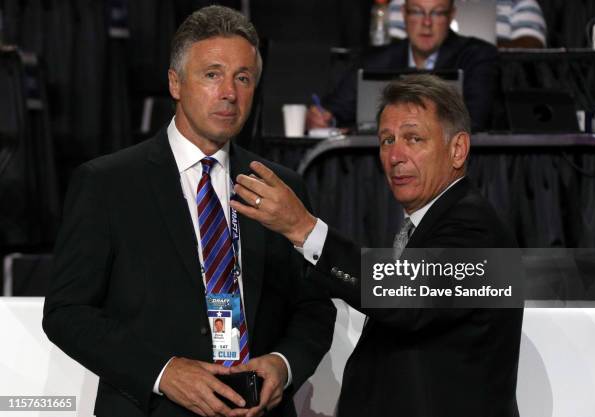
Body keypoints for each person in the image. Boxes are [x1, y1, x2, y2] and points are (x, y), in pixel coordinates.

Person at [42, 6, 335, 417]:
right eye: (212, 74)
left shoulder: (279, 186)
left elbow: (314, 307)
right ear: (175, 83)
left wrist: (283, 366)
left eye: (243, 78)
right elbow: (66, 314)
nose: (230, 92)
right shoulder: (107, 183)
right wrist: (164, 372)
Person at [231, 74, 523, 417]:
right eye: (386, 140)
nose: (395, 155)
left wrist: (303, 227)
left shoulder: (476, 230)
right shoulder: (431, 224)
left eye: (414, 138)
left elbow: (405, 299)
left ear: (457, 149)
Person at [307, 0, 500, 132]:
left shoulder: (477, 57)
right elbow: (335, 109)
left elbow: (476, 121)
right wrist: (323, 119)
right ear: (404, 14)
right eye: (417, 11)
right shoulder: (377, 60)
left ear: (451, 16)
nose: (426, 23)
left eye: (437, 13)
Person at [389, 0, 548, 48]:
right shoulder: (406, 2)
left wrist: (475, 53)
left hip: (495, 92)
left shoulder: (519, 2)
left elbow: (532, 45)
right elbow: (391, 45)